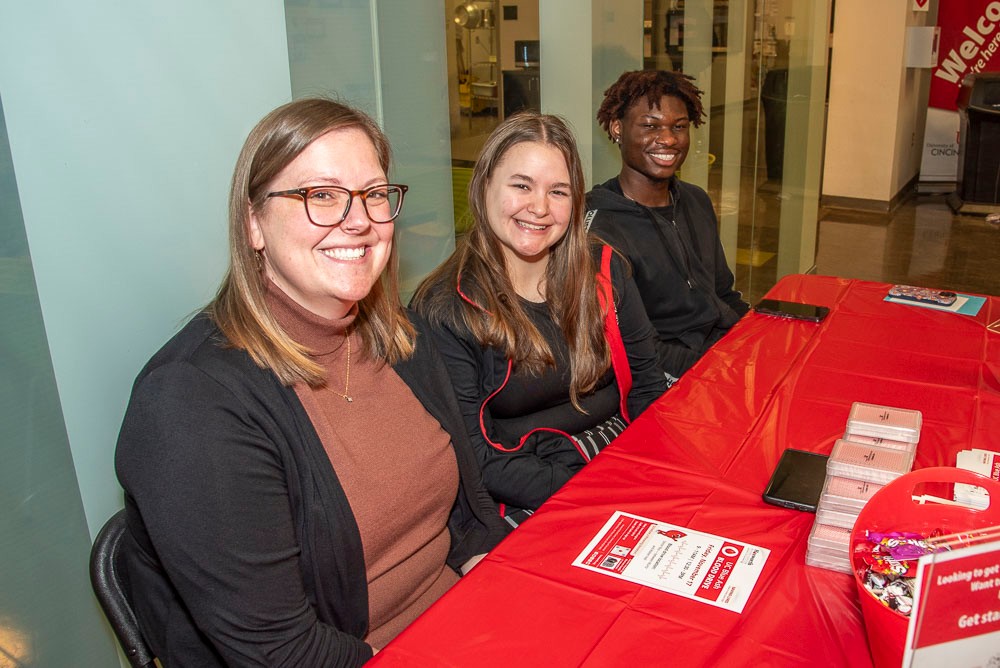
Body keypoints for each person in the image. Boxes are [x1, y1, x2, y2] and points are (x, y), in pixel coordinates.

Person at [114, 97, 509, 667]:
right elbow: (282, 653)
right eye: (320, 195)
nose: (358, 219)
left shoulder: (402, 339)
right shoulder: (190, 404)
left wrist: (519, 598)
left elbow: (470, 520)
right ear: (253, 223)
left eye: (374, 194)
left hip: (460, 624)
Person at [412, 112, 667, 524]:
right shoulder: (446, 310)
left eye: (559, 192)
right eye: (521, 186)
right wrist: (598, 491)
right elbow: (480, 460)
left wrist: (646, 470)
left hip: (622, 460)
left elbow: (647, 386)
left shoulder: (604, 269)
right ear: (484, 187)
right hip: (530, 491)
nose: (540, 208)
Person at [586, 70, 750, 386]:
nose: (669, 139)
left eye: (679, 127)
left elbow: (724, 294)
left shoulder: (696, 200)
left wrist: (757, 341)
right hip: (670, 376)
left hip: (722, 355)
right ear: (617, 128)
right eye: (650, 126)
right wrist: (718, 370)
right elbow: (626, 348)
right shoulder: (599, 227)